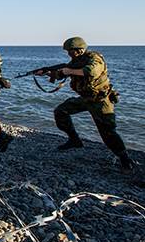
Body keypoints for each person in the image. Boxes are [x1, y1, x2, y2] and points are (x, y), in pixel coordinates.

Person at [39, 37, 135, 173]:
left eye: (70, 51)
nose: (69, 54)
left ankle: (125, 159)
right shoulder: (76, 62)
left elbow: (91, 72)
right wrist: (48, 72)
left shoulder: (94, 58)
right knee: (60, 111)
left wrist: (69, 71)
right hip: (85, 99)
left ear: (80, 50)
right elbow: (63, 73)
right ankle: (74, 140)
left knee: (107, 131)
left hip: (100, 100)